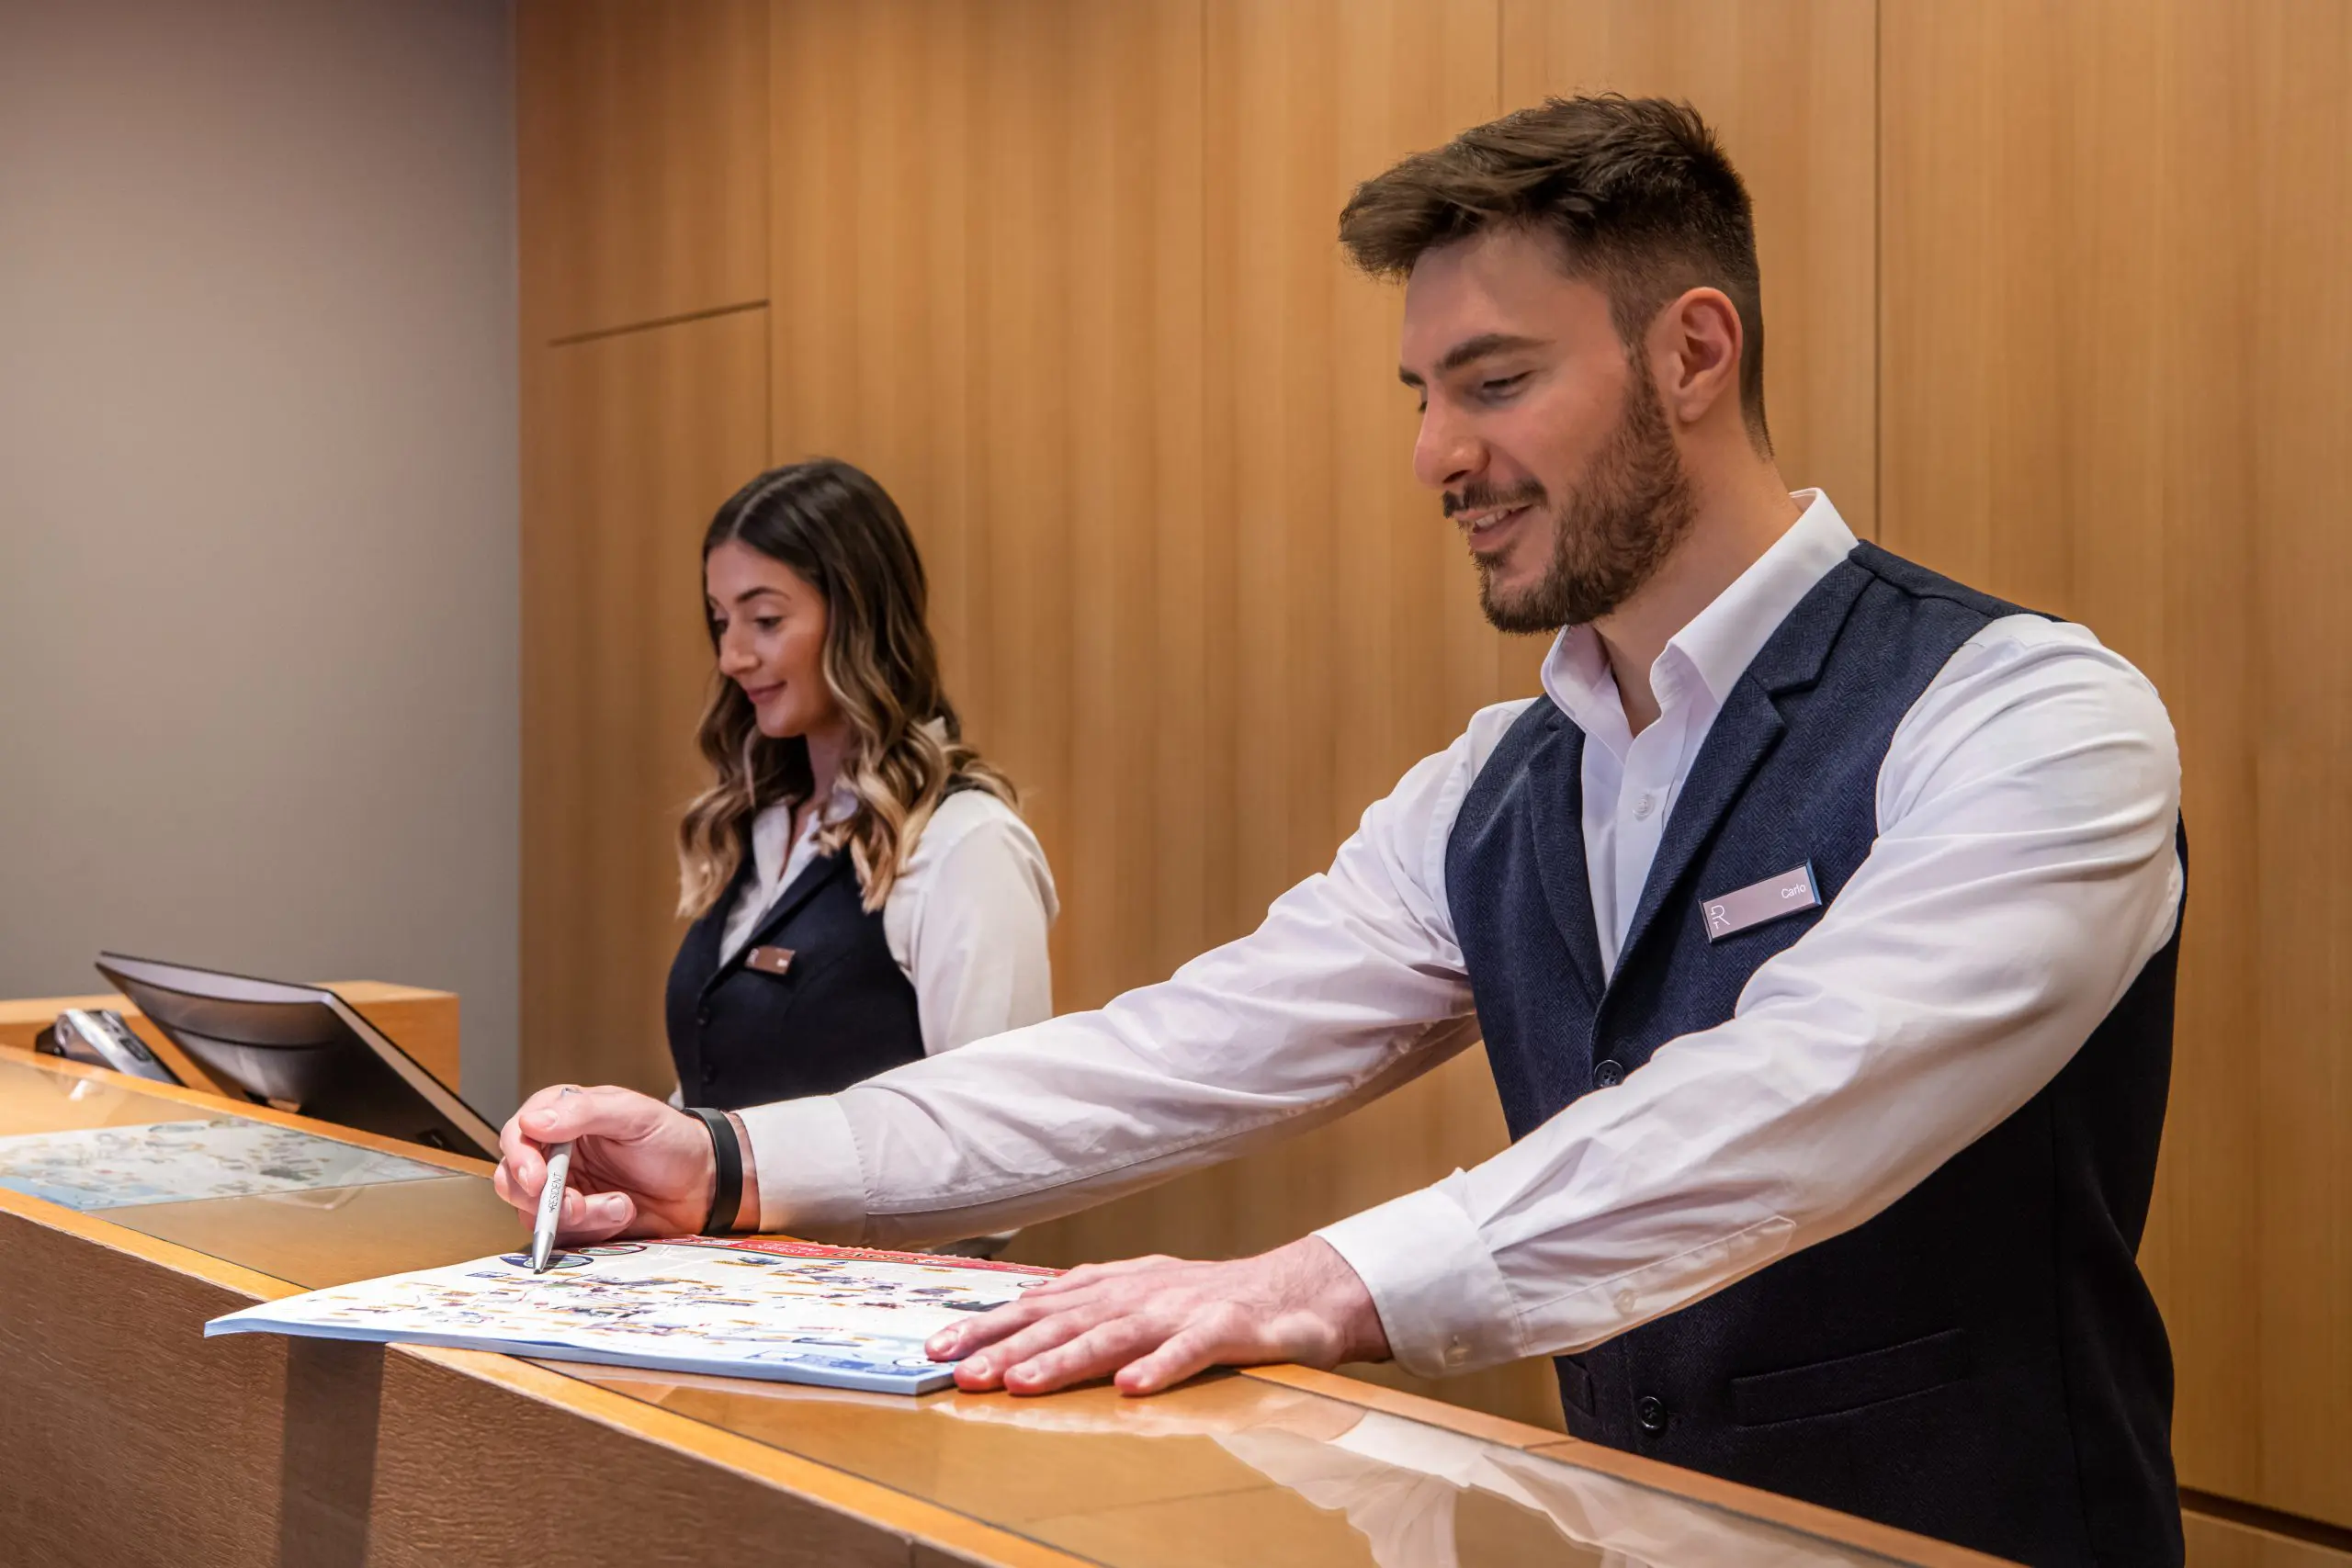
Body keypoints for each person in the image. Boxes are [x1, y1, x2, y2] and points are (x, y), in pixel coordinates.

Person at [495, 97, 2183, 1567]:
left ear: (1693, 350)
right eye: (1421, 391)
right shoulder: (1493, 781)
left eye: (1496, 381)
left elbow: (1804, 1092)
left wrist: (1316, 1279)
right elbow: (1183, 1051)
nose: (1440, 454)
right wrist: (736, 1161)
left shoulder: (2028, 715)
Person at [660, 457, 1056, 1121]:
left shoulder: (966, 844)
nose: (732, 658)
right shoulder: (762, 828)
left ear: (858, 618)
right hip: (705, 1230)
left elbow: (1001, 1142)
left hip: (864, 1233)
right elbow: (725, 1089)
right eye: (721, 620)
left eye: (765, 620)